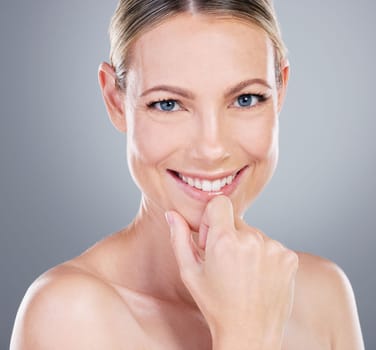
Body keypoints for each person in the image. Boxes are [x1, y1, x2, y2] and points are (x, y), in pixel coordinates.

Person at [10, 1, 364, 349]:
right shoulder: (68, 314)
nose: (211, 149)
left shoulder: (324, 294)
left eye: (246, 99)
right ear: (116, 101)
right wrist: (246, 336)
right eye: (168, 104)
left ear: (281, 89)